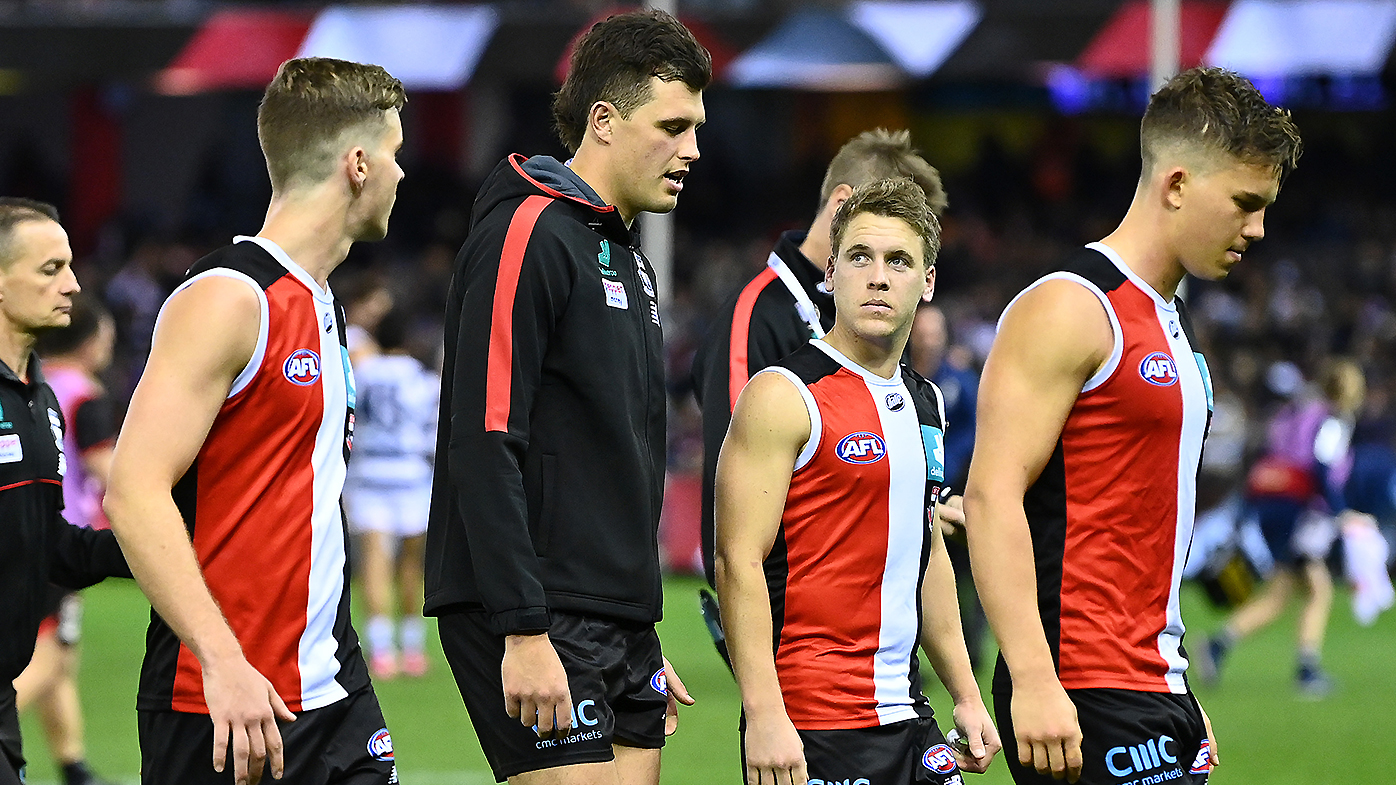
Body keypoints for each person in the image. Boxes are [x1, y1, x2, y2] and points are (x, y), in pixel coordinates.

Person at [963, 67, 1302, 785]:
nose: (1257, 229)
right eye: (1244, 203)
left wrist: (1172, 685)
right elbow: (992, 496)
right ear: (1176, 184)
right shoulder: (1072, 308)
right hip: (1080, 684)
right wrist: (1034, 678)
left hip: (1151, 684)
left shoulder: (1170, 321)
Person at [103, 58, 406, 785]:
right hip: (225, 702)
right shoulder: (230, 297)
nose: (402, 174)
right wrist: (223, 660)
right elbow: (133, 491)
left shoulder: (325, 304)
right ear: (358, 164)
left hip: (334, 691)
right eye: (395, 153)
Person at [424, 10, 707, 783]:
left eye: (695, 128)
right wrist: (522, 628)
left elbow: (615, 452)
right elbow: (485, 434)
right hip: (535, 609)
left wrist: (634, 621)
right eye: (673, 126)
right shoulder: (528, 232)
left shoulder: (629, 258)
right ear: (604, 121)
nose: (692, 150)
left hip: (615, 617)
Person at [716, 177, 999, 785]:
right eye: (860, 257)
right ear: (831, 274)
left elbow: (926, 551)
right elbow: (737, 559)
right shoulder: (783, 395)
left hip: (909, 716)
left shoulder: (926, 402)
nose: (878, 277)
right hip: (812, 723)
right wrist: (764, 715)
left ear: (927, 281)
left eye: (899, 261)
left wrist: (967, 694)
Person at [692, 128, 947, 589]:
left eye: (903, 255)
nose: (883, 275)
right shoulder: (756, 315)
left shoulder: (875, 320)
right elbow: (736, 510)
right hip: (791, 609)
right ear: (842, 204)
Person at [0, 198, 130, 785]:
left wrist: (176, 545)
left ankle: (73, 763)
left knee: (56, 663)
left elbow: (51, 543)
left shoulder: (41, 396)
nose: (73, 285)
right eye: (51, 269)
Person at [1198, 359, 1365, 697]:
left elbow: (1269, 452)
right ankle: (1307, 670)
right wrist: (1341, 512)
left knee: (1280, 594)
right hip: (1301, 512)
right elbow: (1321, 466)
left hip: (1273, 502)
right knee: (1319, 590)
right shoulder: (1332, 420)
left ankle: (1218, 644)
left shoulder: (1299, 412)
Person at [13, 293, 119, 785]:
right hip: (64, 538)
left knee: (59, 657)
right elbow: (104, 467)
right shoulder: (84, 393)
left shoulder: (30, 382)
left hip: (23, 531)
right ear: (92, 341)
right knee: (52, 654)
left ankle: (74, 766)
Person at [344, 309, 439, 680]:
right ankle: (412, 648)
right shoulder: (422, 379)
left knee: (374, 561)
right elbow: (433, 433)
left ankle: (381, 649)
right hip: (411, 477)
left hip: (368, 474)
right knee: (411, 564)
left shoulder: (360, 374)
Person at [908, 303, 987, 671]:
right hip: (913, 494)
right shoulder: (898, 377)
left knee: (969, 573)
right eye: (922, 332)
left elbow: (976, 428)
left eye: (934, 333)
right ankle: (910, 657)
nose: (928, 340)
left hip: (955, 490)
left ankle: (973, 648)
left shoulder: (958, 380)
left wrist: (947, 463)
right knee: (913, 575)